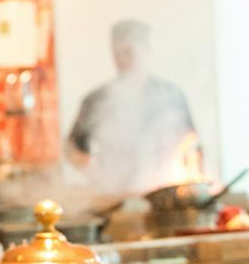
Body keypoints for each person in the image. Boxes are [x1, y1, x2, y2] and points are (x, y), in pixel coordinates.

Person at [66, 20, 197, 210]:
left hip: (163, 200)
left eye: (128, 52)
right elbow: (73, 147)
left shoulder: (170, 96)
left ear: (146, 50)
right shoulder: (96, 100)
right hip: (114, 199)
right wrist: (94, 172)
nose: (122, 59)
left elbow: (191, 145)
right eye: (116, 53)